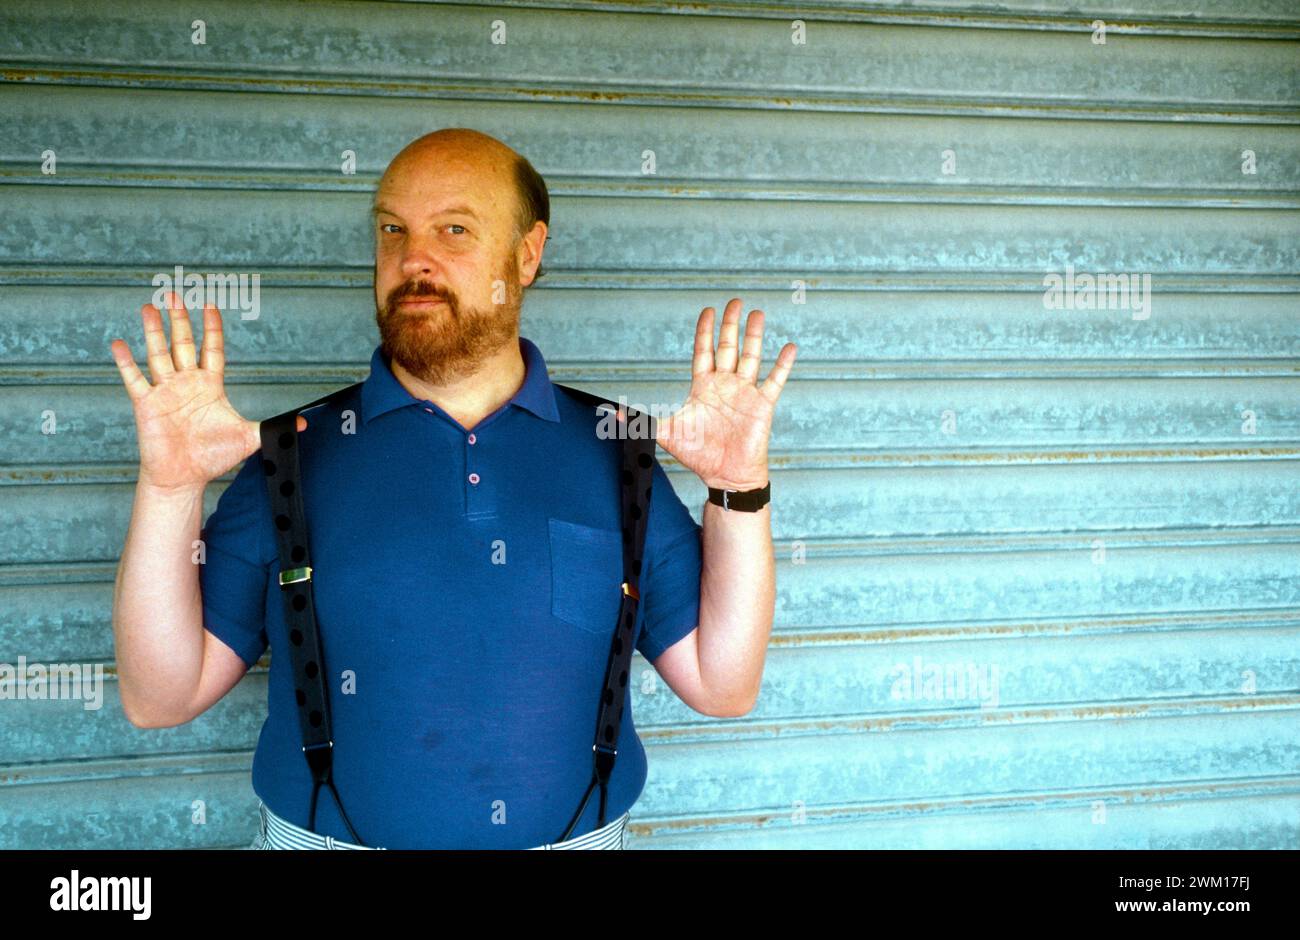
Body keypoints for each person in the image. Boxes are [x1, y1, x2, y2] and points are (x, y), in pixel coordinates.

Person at [108, 128, 797, 849]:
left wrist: (737, 489)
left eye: (454, 229)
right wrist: (168, 488)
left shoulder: (617, 452)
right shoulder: (291, 454)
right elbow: (161, 697)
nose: (413, 259)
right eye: (391, 229)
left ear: (527, 255)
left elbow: (724, 685)